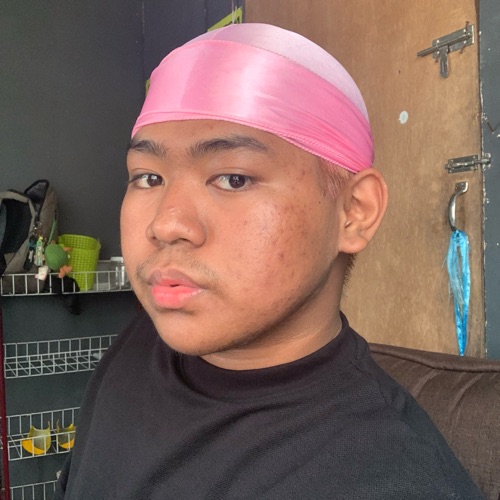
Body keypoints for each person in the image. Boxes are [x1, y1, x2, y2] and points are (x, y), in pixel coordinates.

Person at [55, 23, 483, 499]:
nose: (166, 224)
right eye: (148, 178)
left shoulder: (387, 480)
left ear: (354, 212)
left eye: (233, 178)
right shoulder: (142, 342)